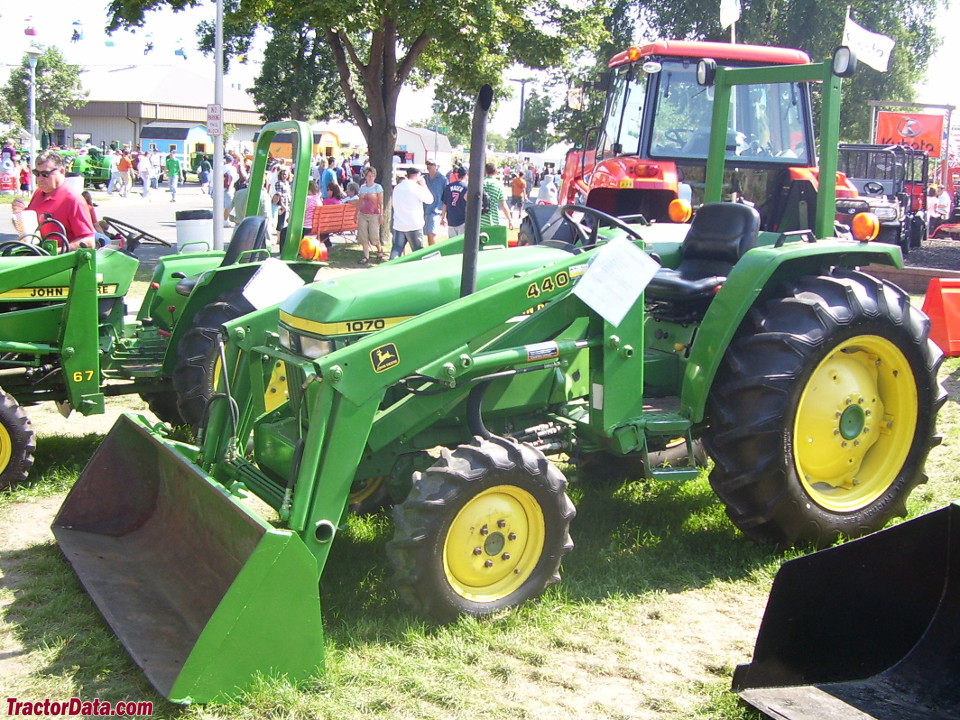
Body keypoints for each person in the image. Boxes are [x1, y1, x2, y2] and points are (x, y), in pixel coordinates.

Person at [26, 150, 95, 251]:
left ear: (62, 171)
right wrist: (18, 215)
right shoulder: (38, 193)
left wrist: (56, 252)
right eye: (37, 173)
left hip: (60, 262)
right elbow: (28, 227)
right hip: (37, 255)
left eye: (45, 174)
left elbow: (89, 241)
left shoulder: (73, 200)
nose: (40, 178)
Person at [390, 166, 435, 259]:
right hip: (414, 224)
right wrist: (424, 185)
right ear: (417, 175)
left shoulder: (397, 187)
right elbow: (430, 200)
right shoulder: (416, 188)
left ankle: (390, 267)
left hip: (399, 223)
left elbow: (393, 204)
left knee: (396, 248)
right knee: (418, 251)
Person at [356, 167, 384, 264]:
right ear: (365, 176)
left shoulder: (378, 187)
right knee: (364, 236)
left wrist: (381, 215)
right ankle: (366, 256)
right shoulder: (362, 188)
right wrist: (356, 214)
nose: (370, 178)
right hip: (363, 214)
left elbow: (380, 202)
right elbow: (359, 202)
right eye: (368, 176)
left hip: (374, 215)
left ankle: (379, 250)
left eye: (372, 176)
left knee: (373, 237)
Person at [481, 162, 513, 229]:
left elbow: (466, 197)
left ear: (485, 171)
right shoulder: (499, 185)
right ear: (496, 171)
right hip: (493, 220)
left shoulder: (480, 183)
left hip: (478, 220)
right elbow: (503, 205)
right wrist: (510, 220)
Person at [422, 160, 447, 245]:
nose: (428, 166)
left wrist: (444, 215)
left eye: (431, 164)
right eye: (427, 164)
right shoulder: (424, 178)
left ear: (436, 166)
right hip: (424, 209)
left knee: (431, 233)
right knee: (426, 234)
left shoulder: (443, 179)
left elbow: (446, 197)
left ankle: (433, 254)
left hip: (436, 210)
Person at [440, 166, 468, 238]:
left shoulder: (448, 187)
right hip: (462, 220)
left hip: (451, 219)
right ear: (466, 175)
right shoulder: (467, 187)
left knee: (453, 244)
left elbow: (445, 204)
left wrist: (443, 217)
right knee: (462, 245)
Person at [272, 166, 292, 250]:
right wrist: (283, 206)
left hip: (287, 203)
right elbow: (278, 195)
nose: (284, 175)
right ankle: (278, 239)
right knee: (280, 222)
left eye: (285, 174)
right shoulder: (279, 183)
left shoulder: (287, 183)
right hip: (281, 204)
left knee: (285, 222)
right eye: (283, 174)